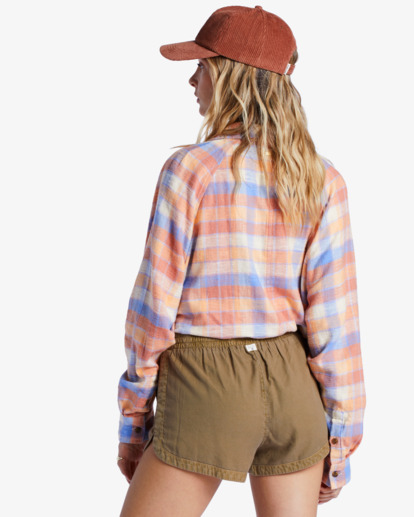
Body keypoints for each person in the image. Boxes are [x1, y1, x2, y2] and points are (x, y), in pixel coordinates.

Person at [117, 6, 366, 517]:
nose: (192, 80)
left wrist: (133, 423)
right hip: (293, 385)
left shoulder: (191, 170)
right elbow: (337, 323)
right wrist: (340, 444)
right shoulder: (322, 179)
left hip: (206, 383)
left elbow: (152, 310)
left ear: (230, 76)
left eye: (201, 66)